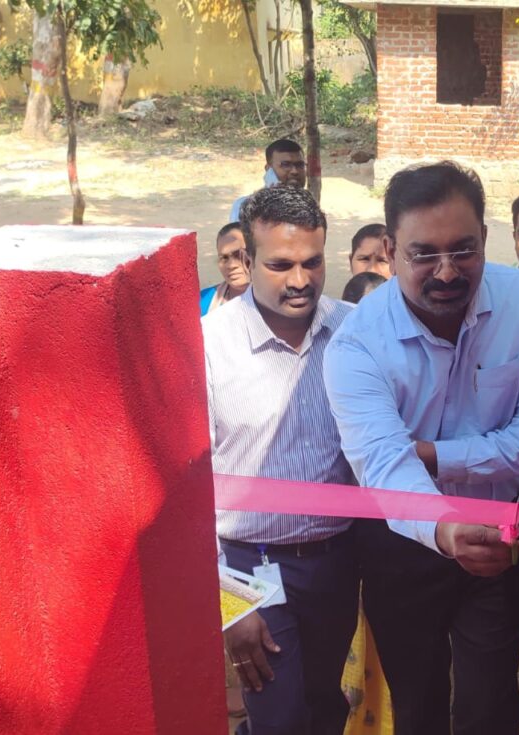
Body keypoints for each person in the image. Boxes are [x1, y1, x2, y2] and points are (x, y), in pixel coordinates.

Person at [323, 161, 519, 735]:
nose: (448, 271)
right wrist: (445, 527)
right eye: (424, 254)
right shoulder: (356, 343)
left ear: (485, 236)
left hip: (502, 534)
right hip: (401, 545)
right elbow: (384, 465)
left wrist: (432, 455)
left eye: (463, 250)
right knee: (417, 705)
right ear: (390, 249)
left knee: (491, 706)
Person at [203, 186, 358, 735]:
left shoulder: (354, 332)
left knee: (324, 703)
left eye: (312, 262)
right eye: (280, 265)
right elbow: (187, 490)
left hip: (337, 561)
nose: (300, 280)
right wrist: (232, 604)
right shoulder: (209, 346)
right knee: (280, 718)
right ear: (246, 262)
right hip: (249, 567)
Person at [229, 139, 308, 221]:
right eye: (286, 165)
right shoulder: (246, 207)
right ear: (269, 169)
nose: (295, 171)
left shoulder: (310, 207)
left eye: (300, 165)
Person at [200, 222, 249, 316]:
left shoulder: (276, 302)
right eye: (224, 258)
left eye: (239, 255)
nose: (231, 265)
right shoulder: (203, 301)